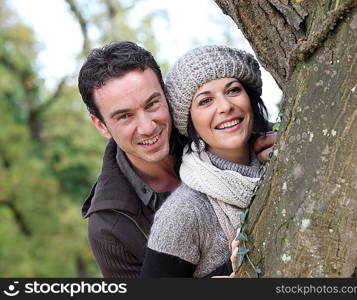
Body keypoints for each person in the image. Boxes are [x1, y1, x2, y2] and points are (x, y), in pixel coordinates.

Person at [78, 41, 276, 278]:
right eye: (125, 116)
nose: (147, 127)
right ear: (101, 125)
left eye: (152, 104)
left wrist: (285, 143)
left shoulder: (217, 129)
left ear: (167, 94)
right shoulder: (110, 226)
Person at [141, 45, 269, 278]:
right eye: (205, 101)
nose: (225, 106)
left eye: (232, 90)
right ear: (189, 122)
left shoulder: (284, 161)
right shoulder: (184, 212)